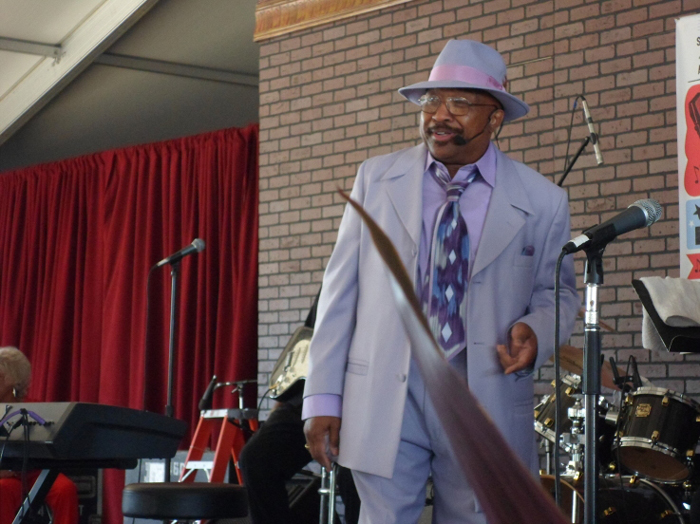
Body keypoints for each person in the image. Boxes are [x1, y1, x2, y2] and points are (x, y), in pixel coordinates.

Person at [302, 39, 580, 524]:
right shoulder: (376, 179)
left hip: (483, 395)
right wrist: (322, 396)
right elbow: (339, 294)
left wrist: (537, 331)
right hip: (387, 390)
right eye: (431, 100)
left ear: (495, 118)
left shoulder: (543, 200)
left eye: (461, 103)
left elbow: (557, 293)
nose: (440, 115)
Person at [238, 293, 360, 524]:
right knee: (256, 459)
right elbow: (306, 340)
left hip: (361, 398)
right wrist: (282, 401)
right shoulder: (335, 276)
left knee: (354, 476)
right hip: (312, 396)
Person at [0, 346, 79, 524]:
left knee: (65, 489)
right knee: (1, 490)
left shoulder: (34, 407)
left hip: (36, 471)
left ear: (14, 380)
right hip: (5, 474)